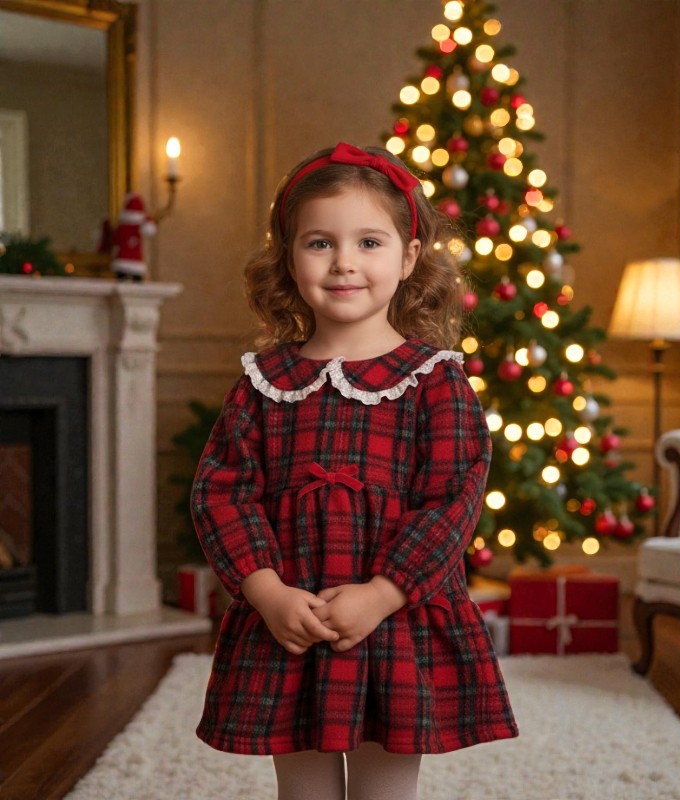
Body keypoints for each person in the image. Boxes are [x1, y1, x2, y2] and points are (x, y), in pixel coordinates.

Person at [191, 142, 518, 800]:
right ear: (289, 256)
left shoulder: (435, 381)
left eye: (369, 242)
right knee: (303, 792)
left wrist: (383, 592)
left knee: (384, 792)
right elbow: (222, 495)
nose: (344, 262)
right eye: (319, 243)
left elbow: (452, 503)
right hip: (293, 621)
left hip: (395, 621)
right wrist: (266, 593)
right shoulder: (262, 383)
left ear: (409, 257)